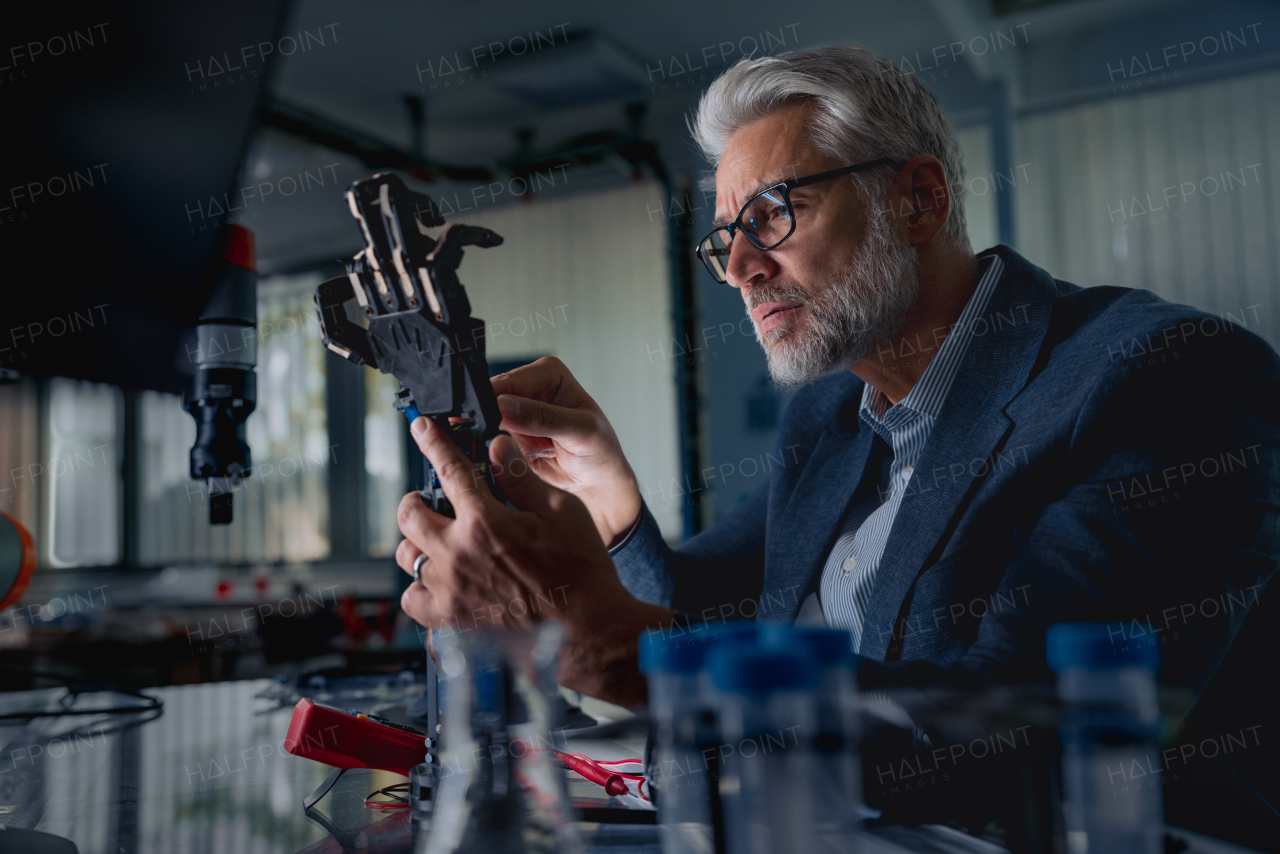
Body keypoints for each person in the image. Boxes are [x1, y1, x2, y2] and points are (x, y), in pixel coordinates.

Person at [392, 45, 1280, 845]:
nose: (740, 270)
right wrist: (612, 503)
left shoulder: (1163, 376)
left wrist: (615, 653)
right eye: (725, 239)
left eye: (774, 214)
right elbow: (708, 614)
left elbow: (1024, 733)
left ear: (918, 200)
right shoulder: (830, 415)